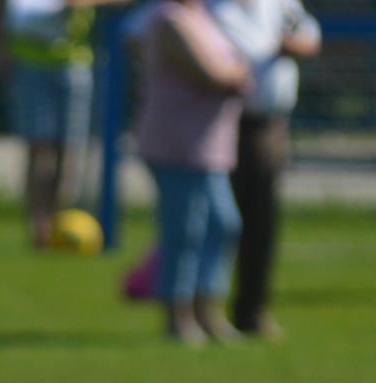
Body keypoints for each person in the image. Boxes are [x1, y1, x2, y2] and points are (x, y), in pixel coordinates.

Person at [132, 0, 249, 343]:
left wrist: (235, 71)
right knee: (184, 231)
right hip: (177, 142)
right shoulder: (169, 20)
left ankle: (207, 310)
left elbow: (234, 65)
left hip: (209, 144)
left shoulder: (201, 16)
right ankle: (177, 317)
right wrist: (236, 73)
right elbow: (211, 75)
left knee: (223, 224)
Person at [210, 0, 317, 338]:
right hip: (223, 122)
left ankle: (251, 309)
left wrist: (296, 46)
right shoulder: (213, 8)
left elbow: (310, 33)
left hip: (269, 125)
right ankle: (204, 310)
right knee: (220, 221)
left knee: (262, 220)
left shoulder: (280, 3)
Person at [0, 0, 114, 250]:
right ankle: (39, 228)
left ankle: (60, 223)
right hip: (29, 58)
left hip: (74, 62)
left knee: (68, 152)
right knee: (40, 149)